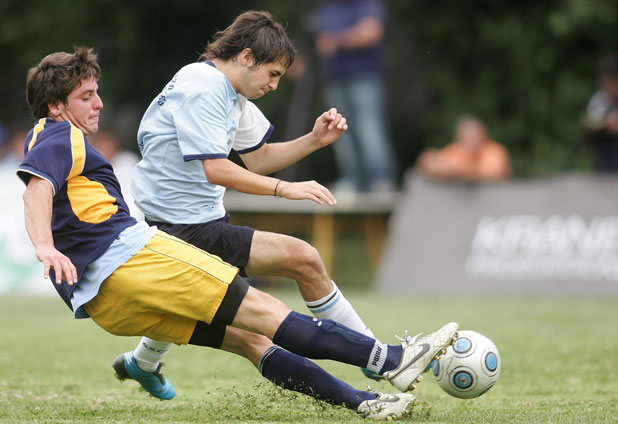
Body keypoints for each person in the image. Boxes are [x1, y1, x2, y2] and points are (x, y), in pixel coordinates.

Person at [18, 47, 459, 420]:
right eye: (86, 96)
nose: (98, 104)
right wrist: (44, 247)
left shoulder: (48, 137)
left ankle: (365, 403)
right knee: (267, 312)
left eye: (96, 93)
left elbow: (257, 155)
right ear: (57, 106)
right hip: (135, 258)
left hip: (101, 303)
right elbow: (37, 191)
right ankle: (393, 359)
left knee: (252, 340)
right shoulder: (62, 135)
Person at [130, 11, 385, 380]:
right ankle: (376, 354)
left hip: (194, 222)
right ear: (247, 57)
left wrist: (315, 140)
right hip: (182, 229)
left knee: (195, 308)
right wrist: (286, 189)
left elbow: (259, 159)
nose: (275, 85)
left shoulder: (228, 91)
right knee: (302, 260)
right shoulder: (204, 87)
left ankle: (142, 362)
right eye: (273, 74)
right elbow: (216, 168)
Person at [309, 0, 396, 194]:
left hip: (364, 76)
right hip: (334, 78)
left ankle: (381, 181)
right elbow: (319, 39)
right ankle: (352, 180)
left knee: (369, 129)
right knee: (340, 132)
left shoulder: (367, 4)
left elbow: (371, 33)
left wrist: (336, 41)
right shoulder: (327, 7)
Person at [417, 115, 511, 181]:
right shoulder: (455, 150)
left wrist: (460, 170)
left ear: (484, 134)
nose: (472, 138)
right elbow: (432, 164)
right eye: (467, 134)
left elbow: (494, 173)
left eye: (475, 133)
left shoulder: (494, 150)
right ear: (459, 136)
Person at [89, 129, 143, 219]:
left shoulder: (129, 160)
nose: (106, 148)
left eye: (109, 144)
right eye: (102, 145)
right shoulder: (90, 169)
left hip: (136, 213)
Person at [582, 54, 618, 173]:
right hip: (604, 166)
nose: (611, 89)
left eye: (613, 83)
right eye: (606, 84)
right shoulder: (598, 101)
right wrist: (606, 126)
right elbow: (588, 134)